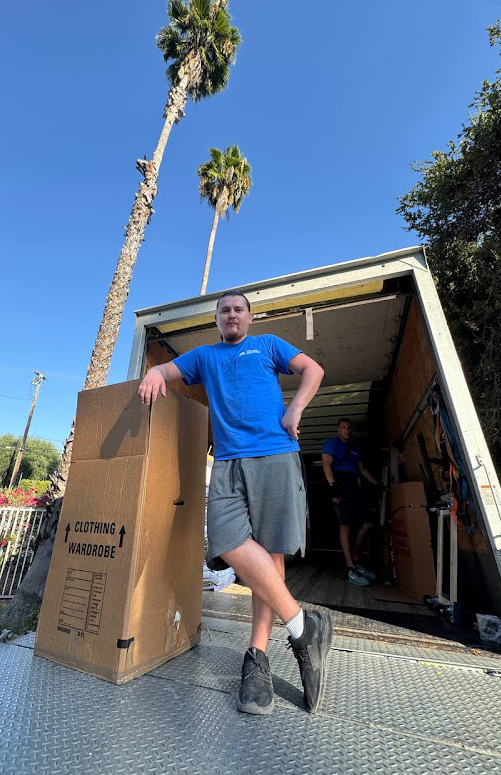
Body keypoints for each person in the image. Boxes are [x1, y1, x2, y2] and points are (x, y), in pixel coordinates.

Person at [139, 290, 330, 716]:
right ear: (217, 319)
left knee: (271, 552)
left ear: (249, 316)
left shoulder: (268, 346)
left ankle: (257, 660)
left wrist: (295, 409)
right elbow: (169, 368)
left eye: (238, 309)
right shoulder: (204, 356)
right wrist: (154, 375)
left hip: (275, 455)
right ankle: (303, 627)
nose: (231, 315)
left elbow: (312, 369)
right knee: (227, 542)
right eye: (224, 310)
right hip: (227, 461)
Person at [322, 418, 382, 586]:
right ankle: (350, 567)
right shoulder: (331, 444)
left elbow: (362, 470)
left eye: (349, 428)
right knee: (345, 524)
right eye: (343, 428)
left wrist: (377, 484)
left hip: (354, 484)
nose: (347, 430)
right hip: (339, 484)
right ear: (338, 430)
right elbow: (326, 465)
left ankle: (356, 555)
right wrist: (333, 486)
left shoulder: (354, 449)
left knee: (367, 523)